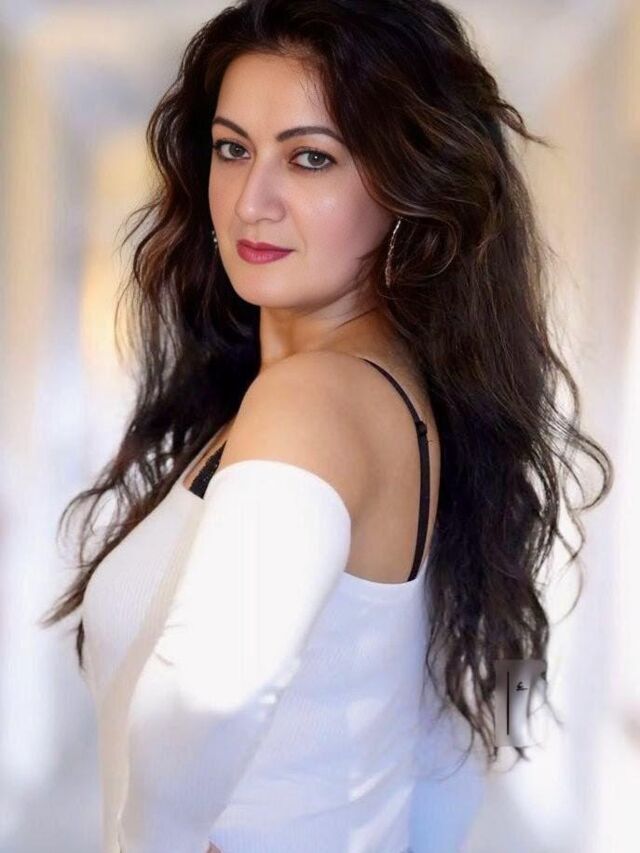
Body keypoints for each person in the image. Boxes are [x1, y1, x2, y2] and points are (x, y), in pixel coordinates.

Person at [40, 1, 612, 851]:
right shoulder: (385, 395)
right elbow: (426, 772)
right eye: (232, 149)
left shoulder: (315, 399)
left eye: (311, 158)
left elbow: (205, 697)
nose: (252, 201)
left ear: (405, 185)